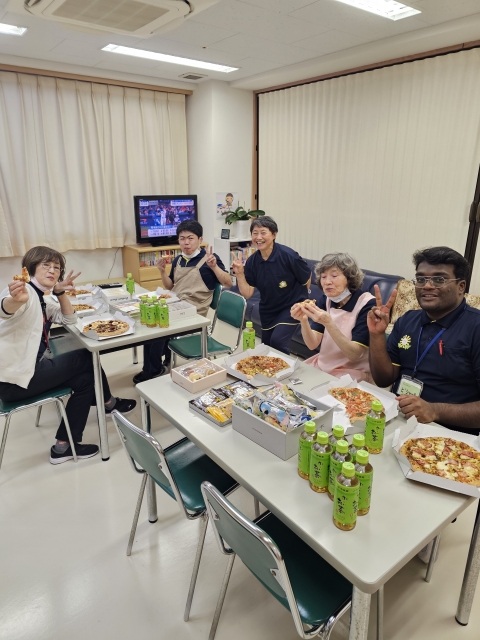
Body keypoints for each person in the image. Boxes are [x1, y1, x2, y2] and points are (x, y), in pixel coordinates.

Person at [0, 246, 136, 465]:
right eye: (46, 265)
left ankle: (63, 446)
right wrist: (14, 301)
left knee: (86, 380)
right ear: (31, 268)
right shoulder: (24, 293)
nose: (52, 270)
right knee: (86, 356)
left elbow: (69, 320)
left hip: (28, 372)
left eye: (57, 267)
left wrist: (60, 293)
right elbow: (5, 309)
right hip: (13, 381)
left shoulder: (43, 299)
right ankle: (108, 403)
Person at [368, 246, 480, 434]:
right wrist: (376, 335)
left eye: (439, 279)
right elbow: (383, 379)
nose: (427, 286)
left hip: (448, 435)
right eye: (421, 279)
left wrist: (434, 411)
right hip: (398, 420)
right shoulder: (407, 320)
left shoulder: (475, 327)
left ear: (461, 287)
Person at [133, 221, 232, 383]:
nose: (186, 242)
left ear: (200, 239)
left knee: (158, 325)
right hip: (176, 305)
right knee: (151, 318)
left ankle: (153, 369)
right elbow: (170, 286)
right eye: (182, 238)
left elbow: (228, 282)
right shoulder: (178, 259)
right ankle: (158, 362)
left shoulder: (209, 259)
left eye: (190, 238)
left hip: (194, 312)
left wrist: (214, 267)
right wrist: (162, 271)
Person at [291, 253, 376, 382]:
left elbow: (354, 355)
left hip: (352, 372)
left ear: (349, 278)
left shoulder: (367, 304)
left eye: (334, 276)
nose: (327, 282)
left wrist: (328, 323)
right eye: (323, 277)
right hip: (323, 365)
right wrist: (303, 320)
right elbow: (312, 345)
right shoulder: (326, 299)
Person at [232, 216, 311, 355]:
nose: (258, 237)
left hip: (291, 307)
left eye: (263, 232)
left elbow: (306, 278)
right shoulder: (252, 262)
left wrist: (303, 301)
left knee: (278, 342)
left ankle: (285, 368)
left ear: (274, 235)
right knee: (267, 347)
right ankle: (273, 368)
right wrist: (239, 273)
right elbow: (247, 293)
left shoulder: (288, 255)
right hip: (268, 309)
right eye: (255, 233)